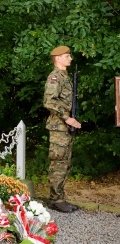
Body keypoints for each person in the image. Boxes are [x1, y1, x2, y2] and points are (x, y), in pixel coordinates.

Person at [43, 45, 82, 213]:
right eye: (67, 56)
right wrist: (68, 118)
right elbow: (49, 101)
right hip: (59, 127)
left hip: (64, 127)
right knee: (59, 163)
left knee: (65, 163)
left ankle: (59, 197)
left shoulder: (64, 77)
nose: (70, 58)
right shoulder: (55, 77)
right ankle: (56, 199)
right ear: (58, 58)